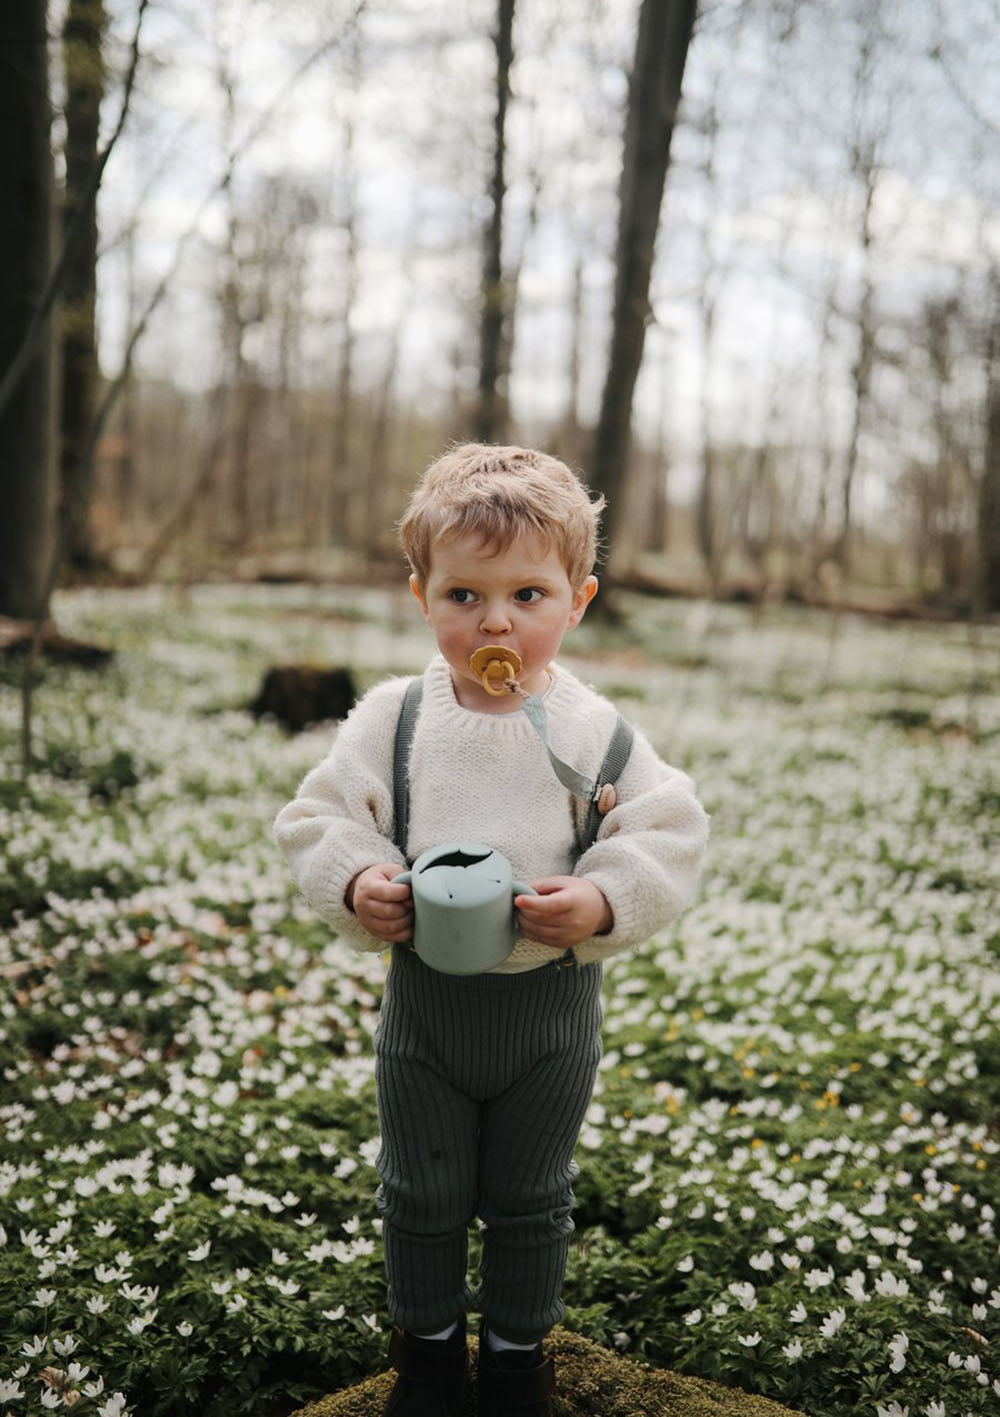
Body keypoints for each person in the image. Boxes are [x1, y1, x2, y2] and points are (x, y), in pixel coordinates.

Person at [273, 443, 709, 1417]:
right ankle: (426, 1354)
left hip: (550, 1014)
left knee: (531, 1196)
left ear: (578, 600)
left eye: (527, 594)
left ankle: (518, 1357)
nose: (495, 620)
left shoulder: (595, 731)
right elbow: (318, 818)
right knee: (418, 1191)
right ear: (422, 593)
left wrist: (599, 901)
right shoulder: (394, 718)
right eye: (464, 596)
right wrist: (357, 881)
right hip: (425, 1012)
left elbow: (670, 832)